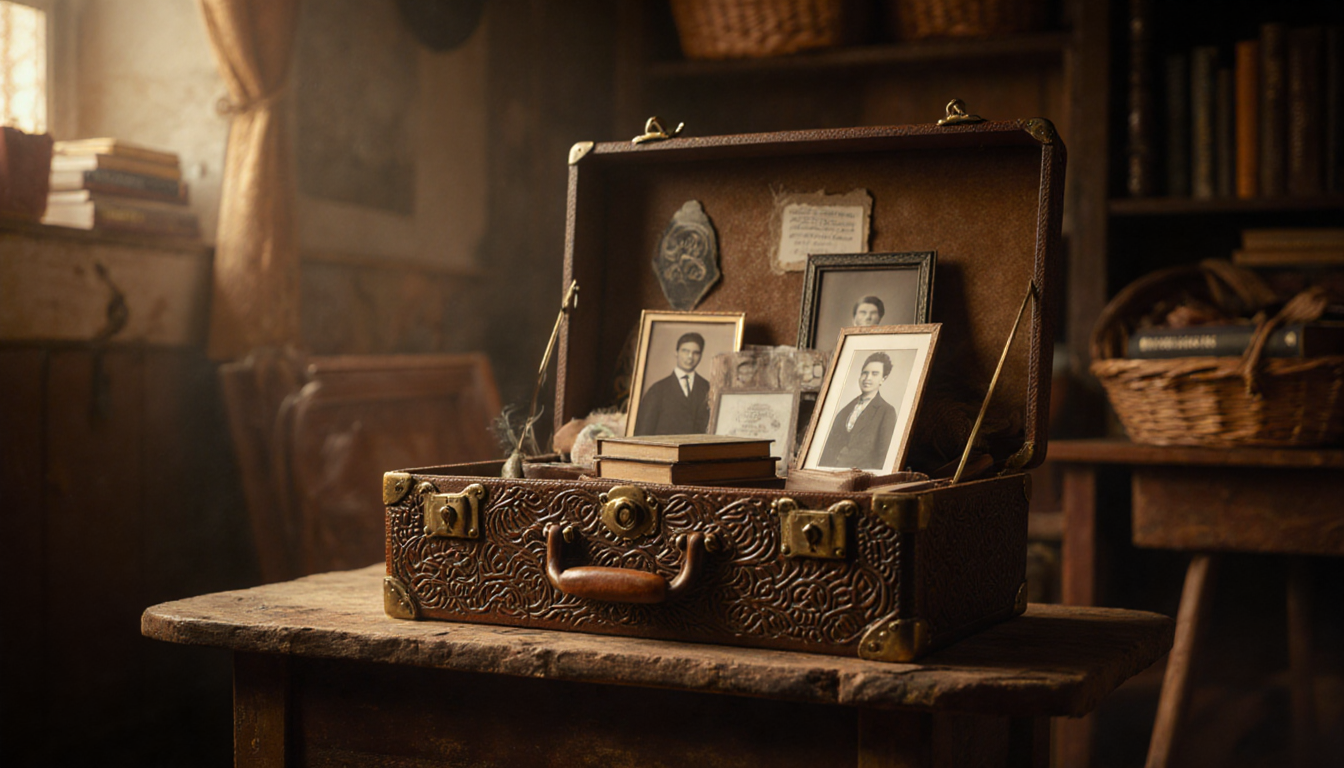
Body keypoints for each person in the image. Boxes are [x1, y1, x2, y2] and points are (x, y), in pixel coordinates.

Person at [818, 351, 897, 470]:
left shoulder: (887, 412)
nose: (867, 378)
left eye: (874, 374)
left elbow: (883, 457)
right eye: (865, 373)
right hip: (832, 472)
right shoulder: (846, 410)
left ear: (883, 379)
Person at [633, 332, 711, 435]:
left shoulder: (708, 388)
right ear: (676, 353)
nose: (690, 357)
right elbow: (643, 433)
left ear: (701, 356)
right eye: (685, 351)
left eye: (696, 353)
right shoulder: (657, 390)